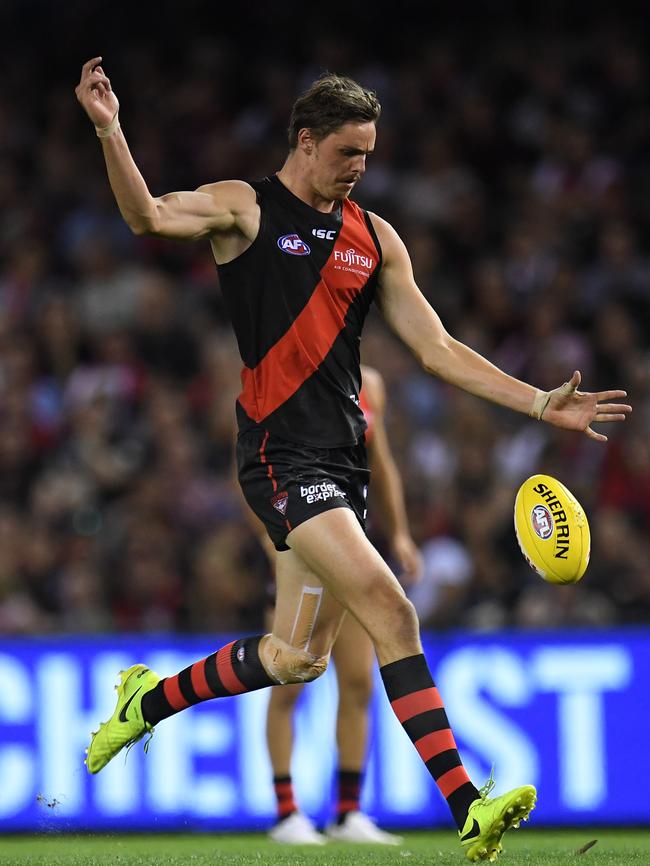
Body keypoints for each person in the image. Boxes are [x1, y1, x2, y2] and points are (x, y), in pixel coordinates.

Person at [76, 58, 631, 862]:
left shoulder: (373, 239)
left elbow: (438, 348)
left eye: (369, 154)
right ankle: (468, 807)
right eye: (349, 153)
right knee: (393, 608)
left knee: (295, 658)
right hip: (277, 451)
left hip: (344, 461)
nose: (361, 168)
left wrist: (541, 402)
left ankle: (148, 700)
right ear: (306, 143)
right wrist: (109, 129)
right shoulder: (245, 208)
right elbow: (148, 218)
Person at [263, 364, 422, 844]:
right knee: (288, 677)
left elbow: (383, 461)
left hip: (351, 555)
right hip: (301, 547)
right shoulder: (280, 373)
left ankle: (348, 813)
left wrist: (399, 533)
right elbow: (254, 465)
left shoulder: (369, 384)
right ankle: (287, 812)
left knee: (357, 683)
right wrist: (273, 543)